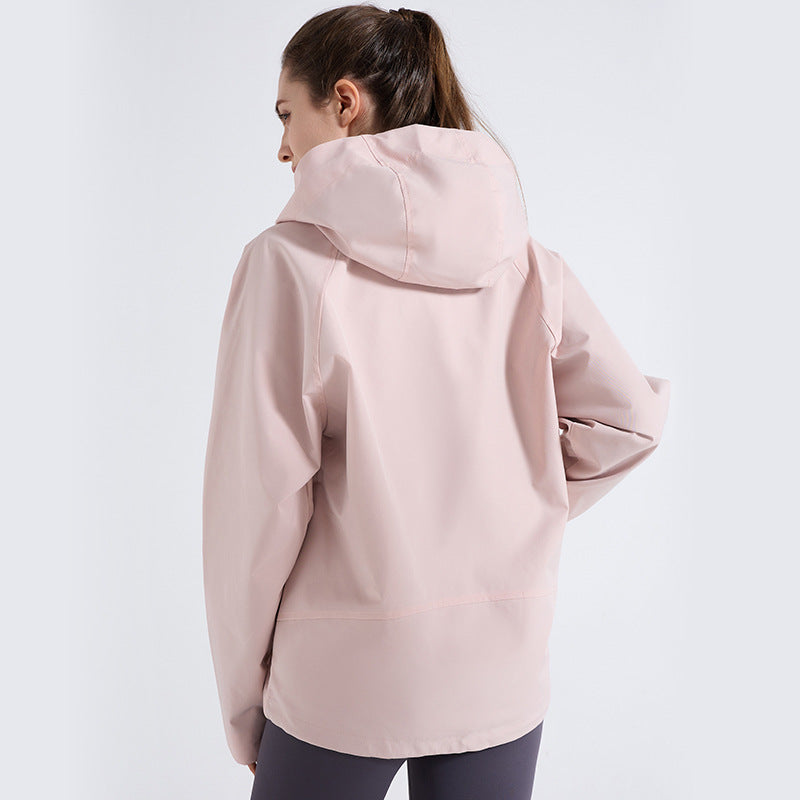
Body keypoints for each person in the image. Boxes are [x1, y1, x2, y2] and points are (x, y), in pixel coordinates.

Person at [201, 5, 671, 799]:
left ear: (343, 102)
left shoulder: (287, 266)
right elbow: (630, 422)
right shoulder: (526, 262)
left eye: (287, 114)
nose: (282, 146)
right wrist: (515, 500)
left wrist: (244, 704)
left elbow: (254, 510)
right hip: (497, 669)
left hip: (339, 679)